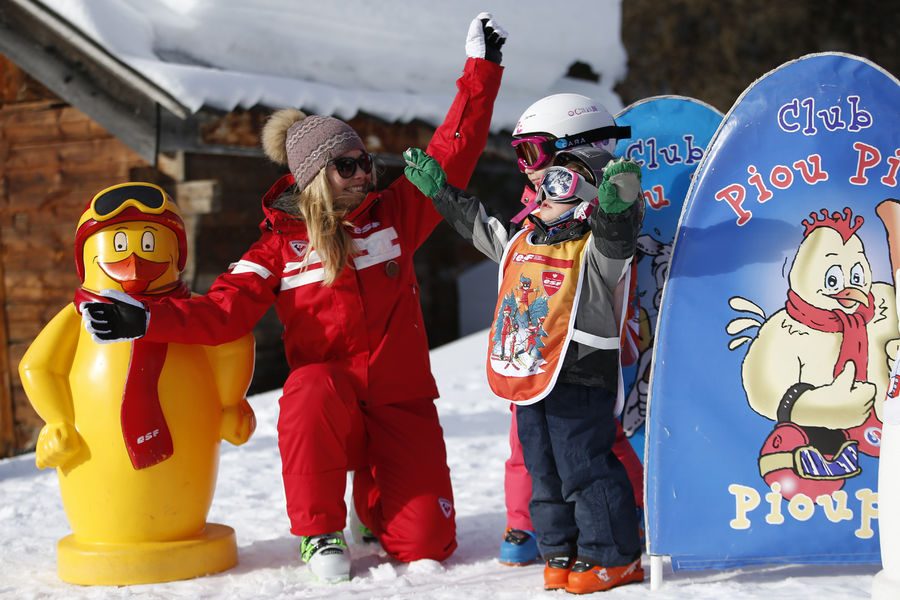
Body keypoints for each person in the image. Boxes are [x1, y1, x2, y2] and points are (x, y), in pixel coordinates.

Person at [79, 13, 507, 584]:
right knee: (307, 388)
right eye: (348, 165)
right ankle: (319, 529)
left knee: (429, 543)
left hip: (399, 402)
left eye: (366, 163)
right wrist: (143, 318)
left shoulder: (396, 216)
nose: (364, 174)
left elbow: (453, 150)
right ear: (313, 177)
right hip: (329, 405)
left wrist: (482, 70)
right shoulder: (276, 249)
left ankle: (374, 508)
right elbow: (220, 311)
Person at [402, 140, 645, 594]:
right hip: (531, 369)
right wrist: (441, 194)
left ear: (592, 196)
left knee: (583, 464)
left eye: (568, 181)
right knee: (543, 465)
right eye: (551, 180)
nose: (551, 189)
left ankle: (614, 556)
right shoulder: (523, 239)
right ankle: (561, 549)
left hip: (580, 365)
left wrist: (616, 209)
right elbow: (479, 227)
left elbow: (617, 244)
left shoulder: (593, 247)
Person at [500, 94, 646, 566]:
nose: (526, 170)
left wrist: (611, 210)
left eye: (533, 154)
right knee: (532, 444)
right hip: (531, 350)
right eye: (519, 155)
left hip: (584, 347)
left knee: (587, 444)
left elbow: (614, 250)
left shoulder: (597, 213)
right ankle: (542, 533)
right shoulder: (535, 216)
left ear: (576, 150)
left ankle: (618, 533)